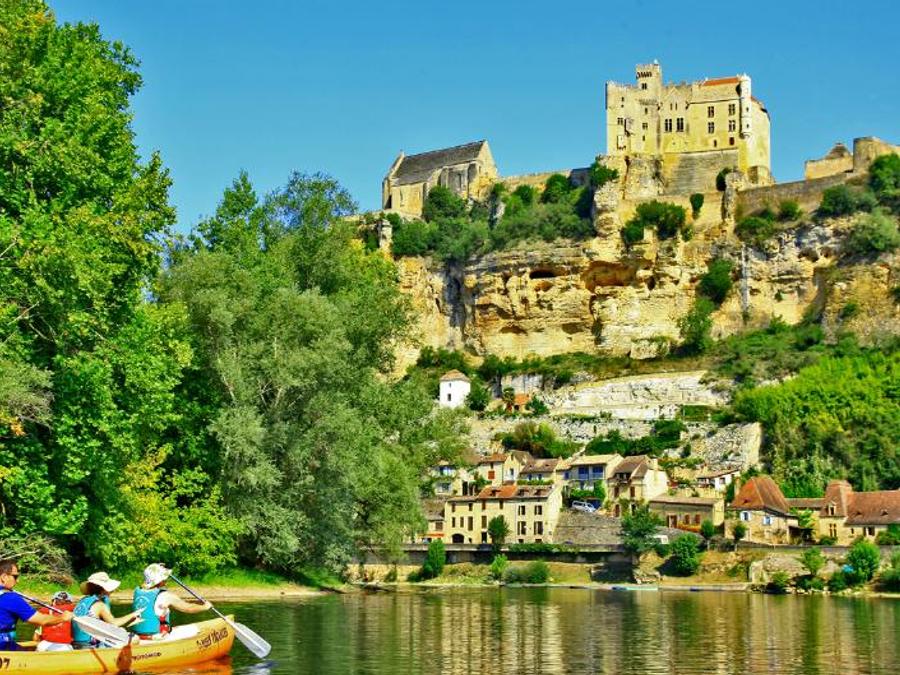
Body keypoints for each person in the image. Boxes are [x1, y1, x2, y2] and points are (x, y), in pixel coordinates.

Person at [0, 559, 73, 651]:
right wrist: (63, 618)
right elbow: (42, 620)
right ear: (4, 577)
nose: (17, 581)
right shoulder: (11, 598)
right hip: (3, 646)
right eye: (15, 576)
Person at [131, 563, 210, 639]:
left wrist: (158, 567)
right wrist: (205, 607)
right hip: (159, 637)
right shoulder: (165, 596)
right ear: (159, 580)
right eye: (164, 578)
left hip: (138, 635)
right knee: (194, 629)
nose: (166, 580)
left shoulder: (138, 591)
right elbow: (188, 608)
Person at [71, 572, 143, 649]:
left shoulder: (82, 601)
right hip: (90, 645)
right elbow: (114, 623)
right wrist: (133, 614)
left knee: (121, 631)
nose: (112, 591)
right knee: (135, 638)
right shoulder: (100, 605)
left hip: (76, 643)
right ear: (103, 589)